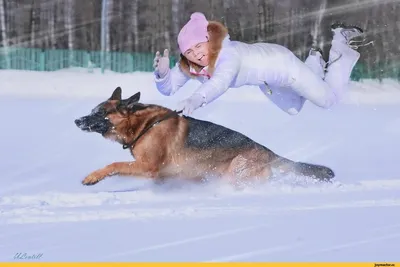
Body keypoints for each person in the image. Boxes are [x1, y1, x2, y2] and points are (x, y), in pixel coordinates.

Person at [152, 12, 370, 116]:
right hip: (267, 82)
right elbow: (169, 89)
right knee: (294, 108)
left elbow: (220, 82)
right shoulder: (192, 65)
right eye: (189, 52)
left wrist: (195, 99)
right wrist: (163, 75)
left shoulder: (229, 55)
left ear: (208, 39)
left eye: (198, 46)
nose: (196, 55)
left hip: (284, 66)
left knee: (328, 100)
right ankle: (314, 59)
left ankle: (342, 44)